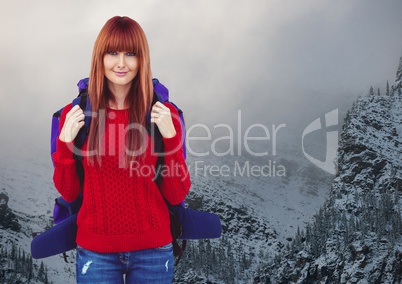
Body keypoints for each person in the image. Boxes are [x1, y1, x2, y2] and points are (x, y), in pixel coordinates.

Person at [52, 16, 191, 283]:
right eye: (112, 52)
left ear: (142, 60)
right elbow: (69, 192)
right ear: (99, 57)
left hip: (153, 251)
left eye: (131, 54)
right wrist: (65, 144)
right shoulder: (77, 113)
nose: (121, 63)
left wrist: (172, 141)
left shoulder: (163, 113)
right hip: (96, 253)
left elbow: (176, 194)